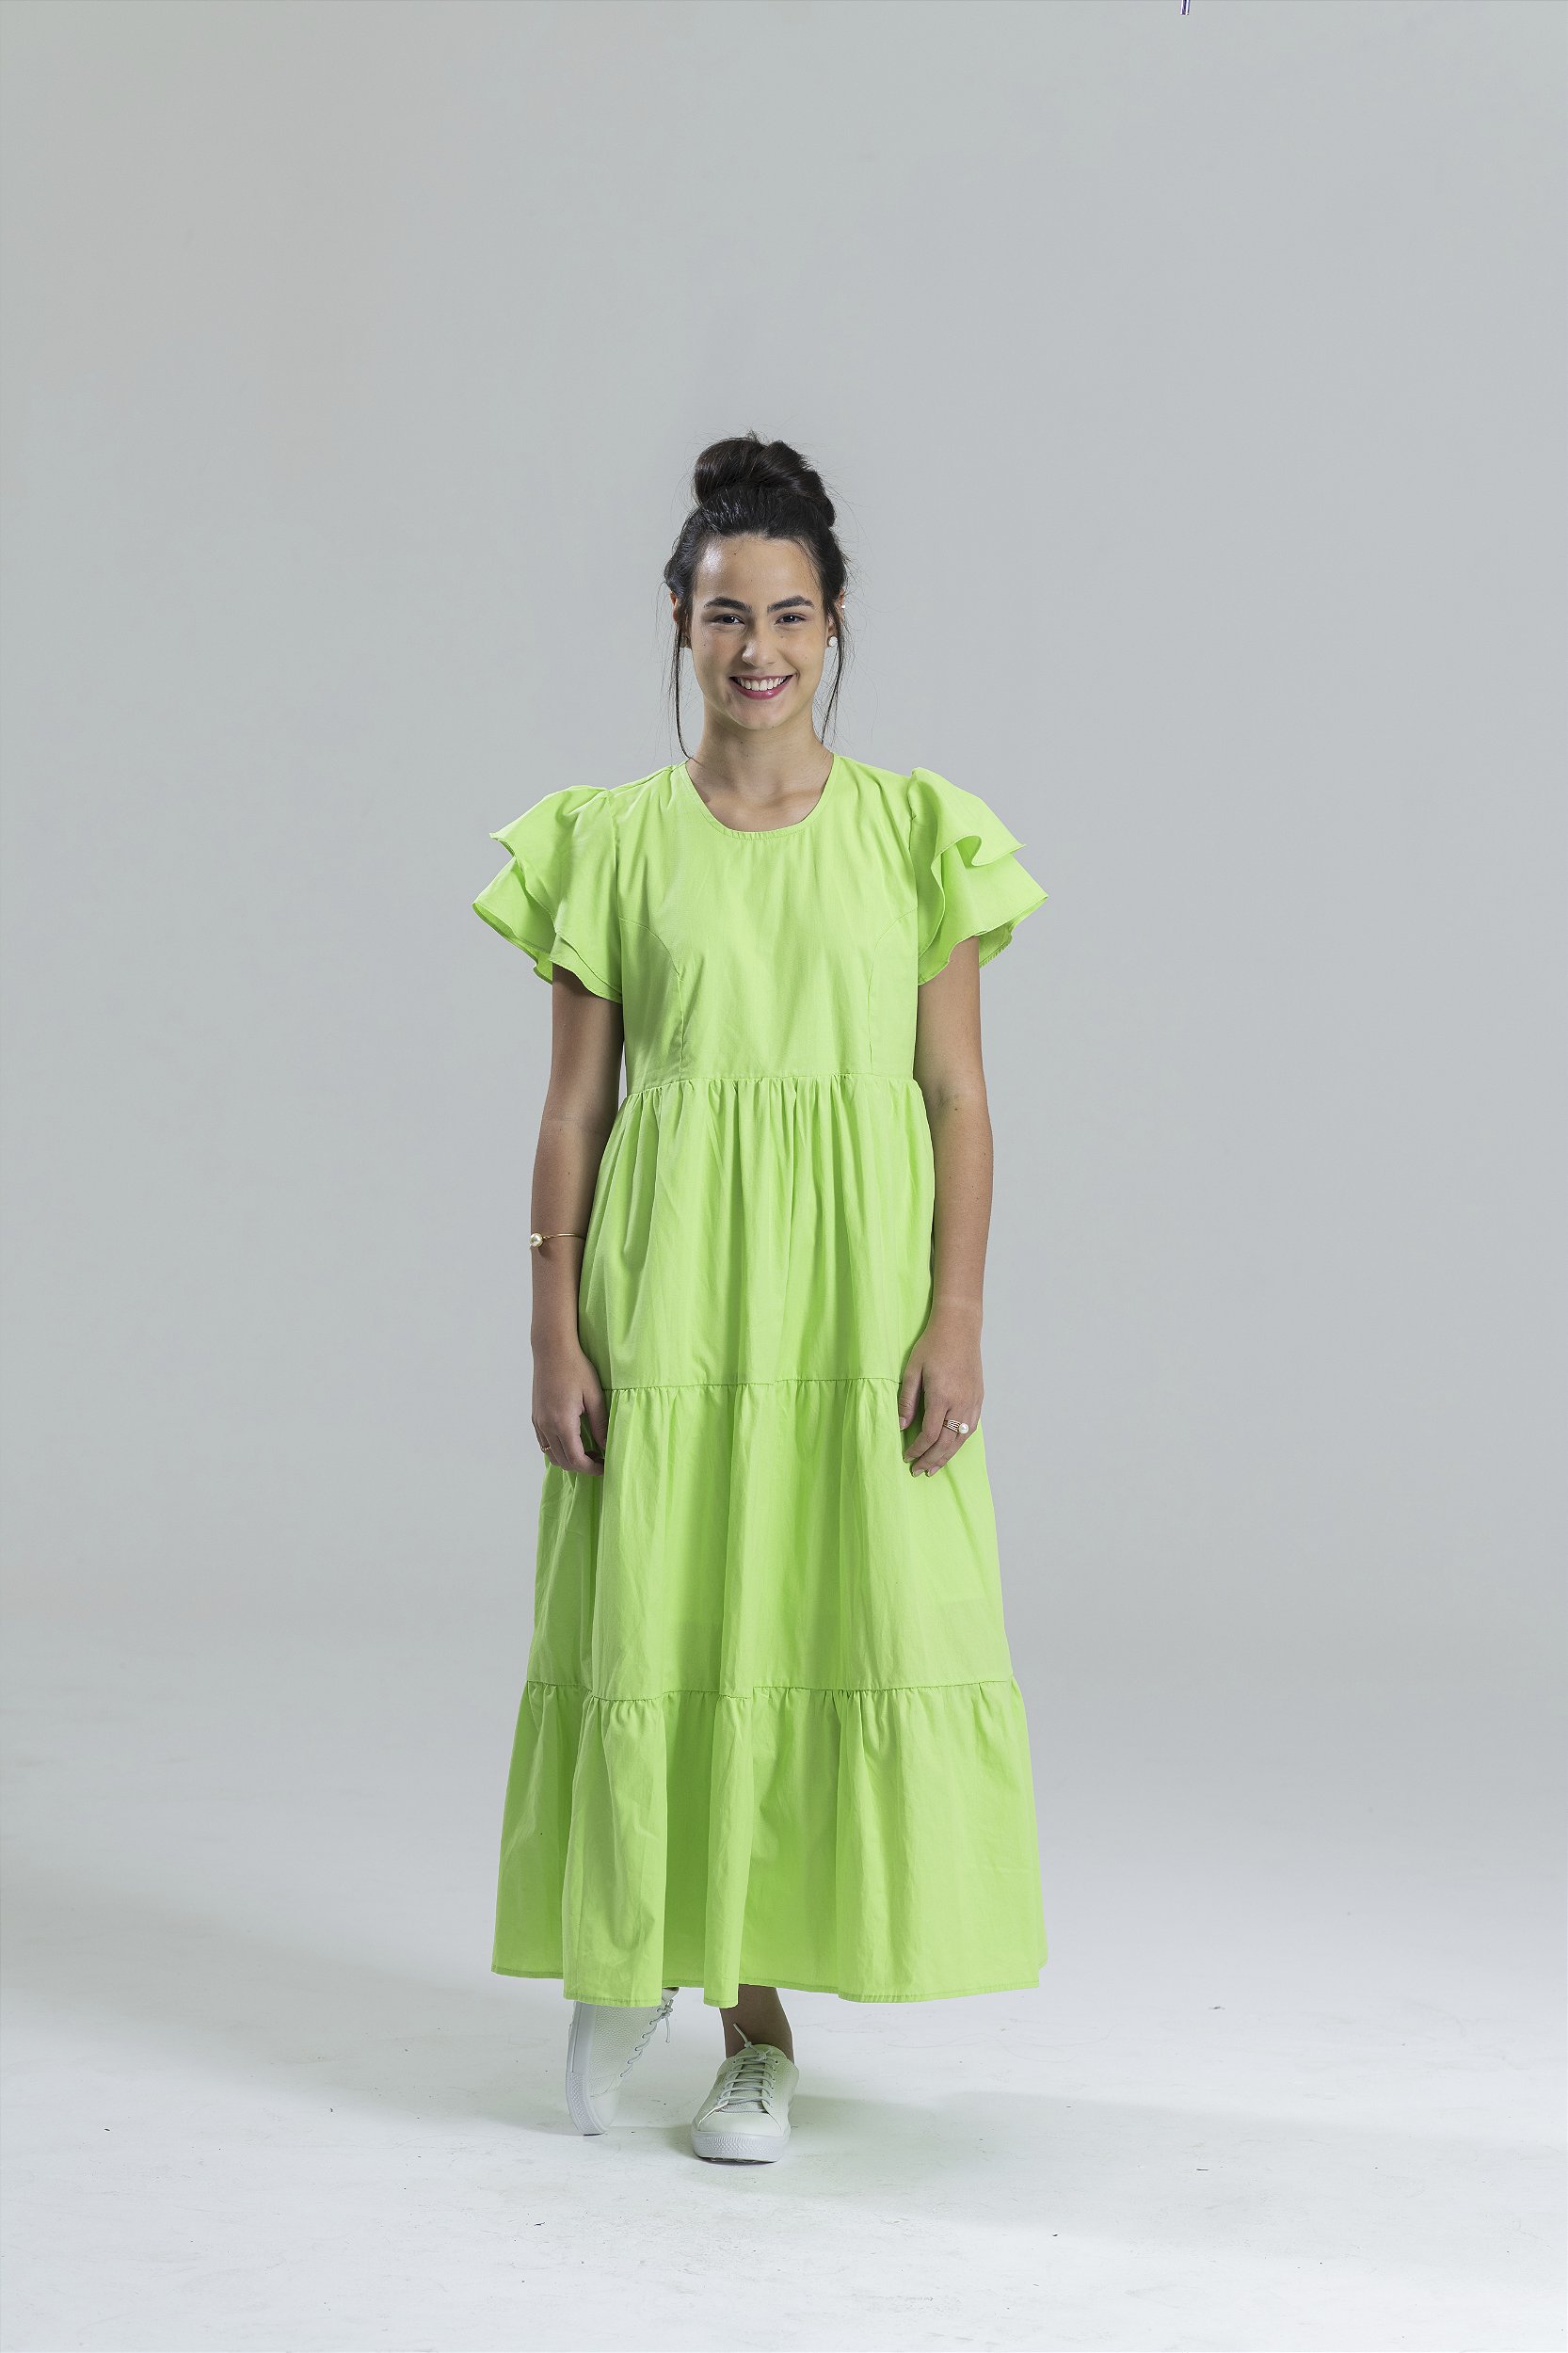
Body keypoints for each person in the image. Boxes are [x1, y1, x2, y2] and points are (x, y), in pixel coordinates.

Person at [472, 432, 1049, 2164]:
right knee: (668, 1620)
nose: (758, 650)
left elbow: (957, 1098)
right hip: (673, 1294)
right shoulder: (610, 840)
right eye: (726, 614)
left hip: (852, 1301)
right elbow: (574, 1109)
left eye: (789, 614)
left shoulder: (915, 835)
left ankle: (747, 2027)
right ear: (677, 618)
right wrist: (551, 1326)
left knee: (813, 1623)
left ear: (835, 621)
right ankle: (663, 1970)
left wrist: (955, 1316)